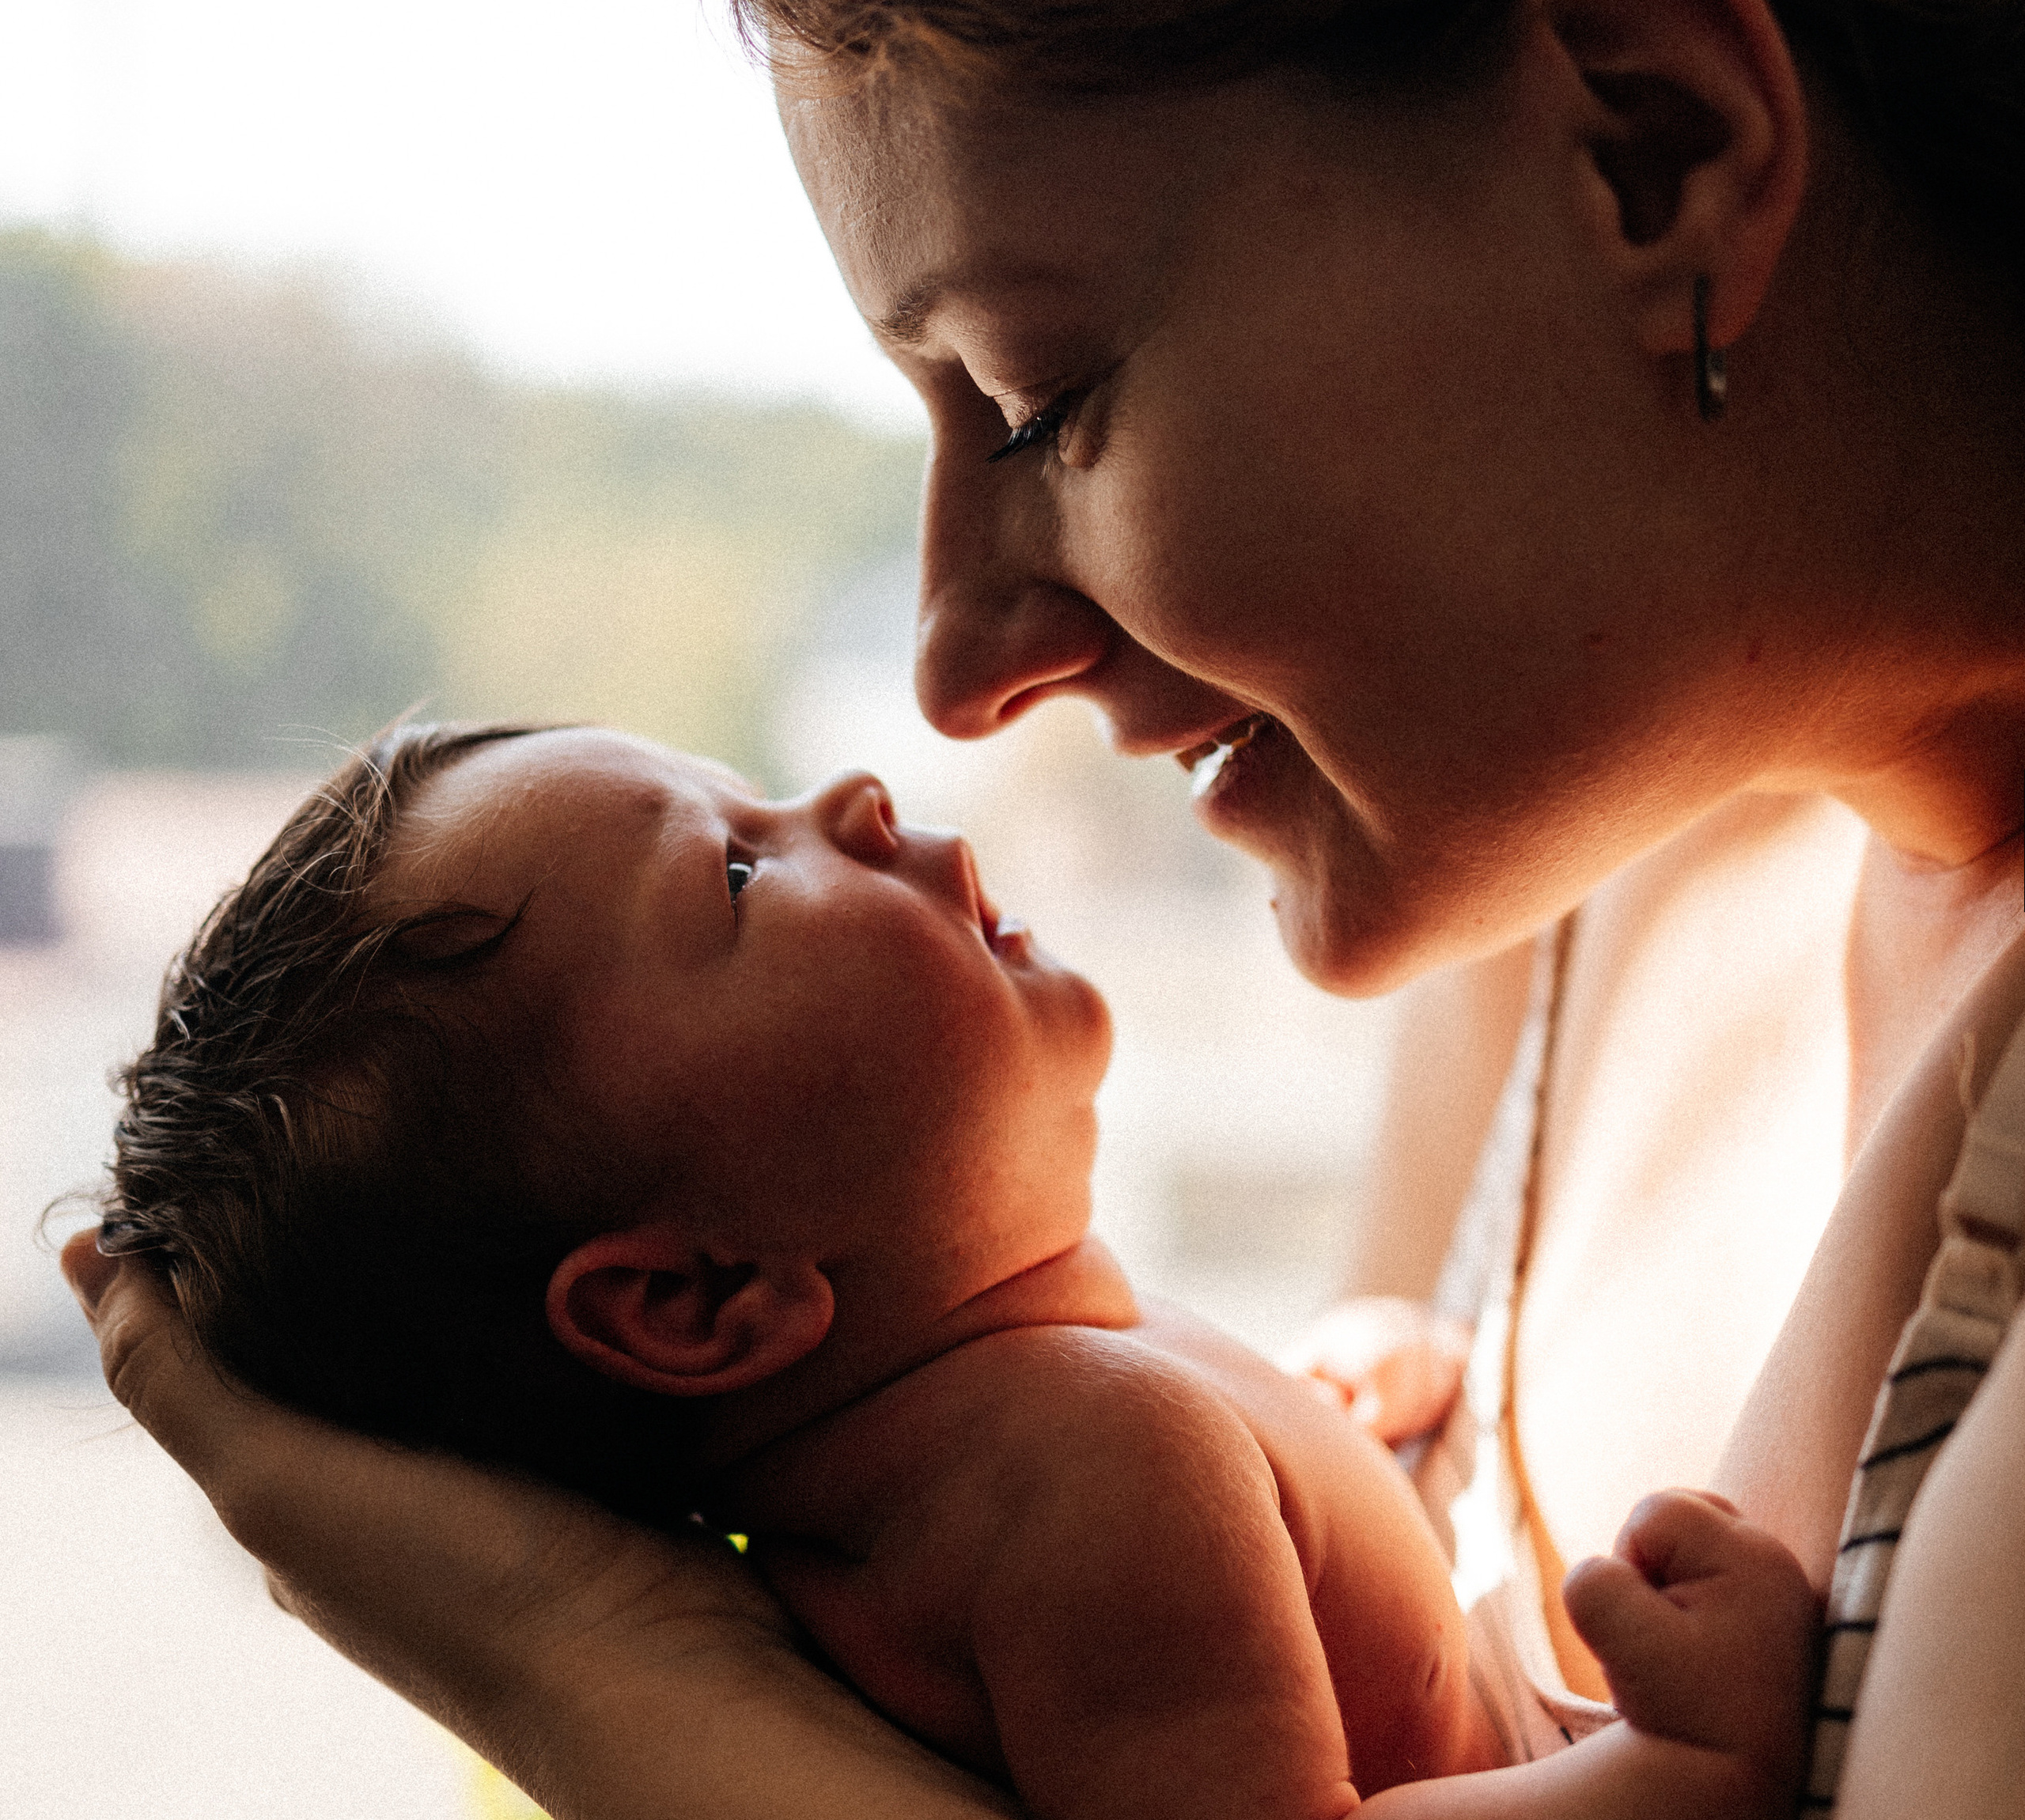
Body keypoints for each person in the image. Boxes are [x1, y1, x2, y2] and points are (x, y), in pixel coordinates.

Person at [64, 0, 2025, 1815]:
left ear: (1651, 147)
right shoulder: (1560, 864)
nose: (950, 667)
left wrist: (597, 1671)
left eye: (1036, 399)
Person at [95, 716, 1815, 1818]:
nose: (849, 791)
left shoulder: (983, 1435)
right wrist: (1666, 1770)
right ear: (698, 1297)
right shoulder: (1085, 1473)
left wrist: (1324, 1429)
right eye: (742, 869)